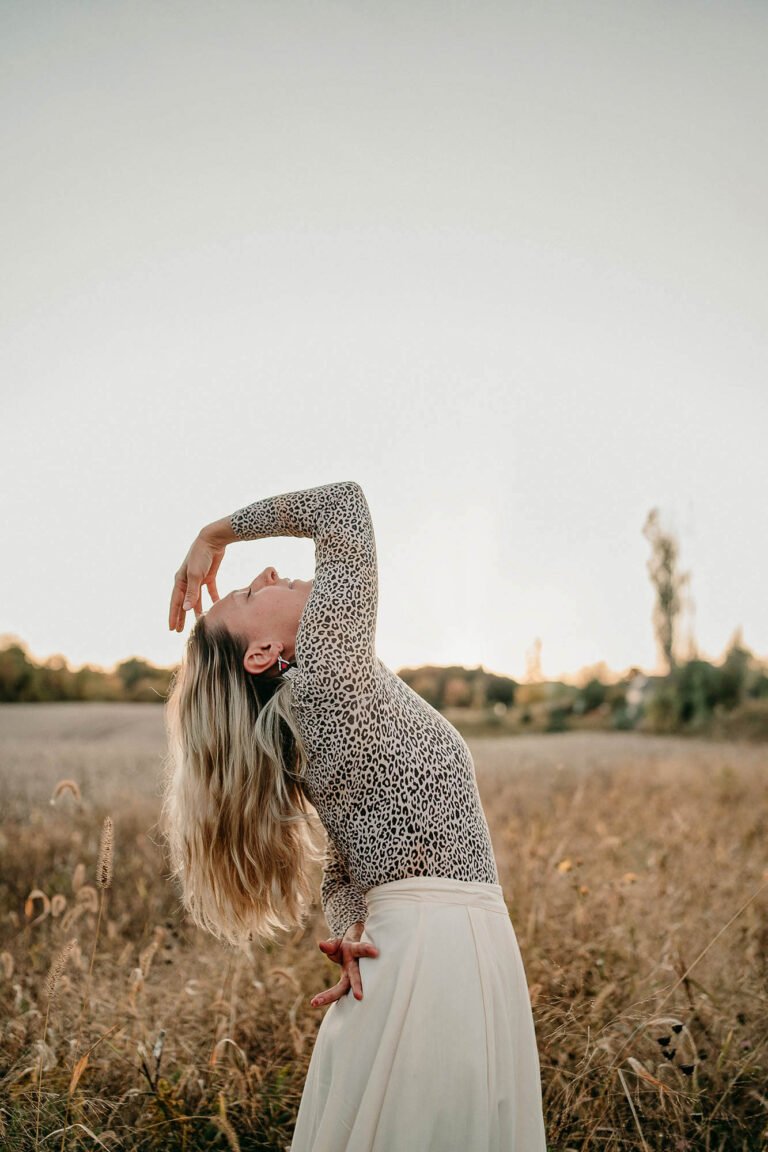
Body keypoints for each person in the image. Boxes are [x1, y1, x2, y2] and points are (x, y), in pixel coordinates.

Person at [165, 480, 547, 1151]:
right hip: (444, 950)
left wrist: (349, 929)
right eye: (253, 595)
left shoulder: (306, 716)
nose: (269, 572)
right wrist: (214, 534)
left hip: (409, 950)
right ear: (261, 656)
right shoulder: (329, 673)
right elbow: (343, 508)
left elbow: (344, 867)